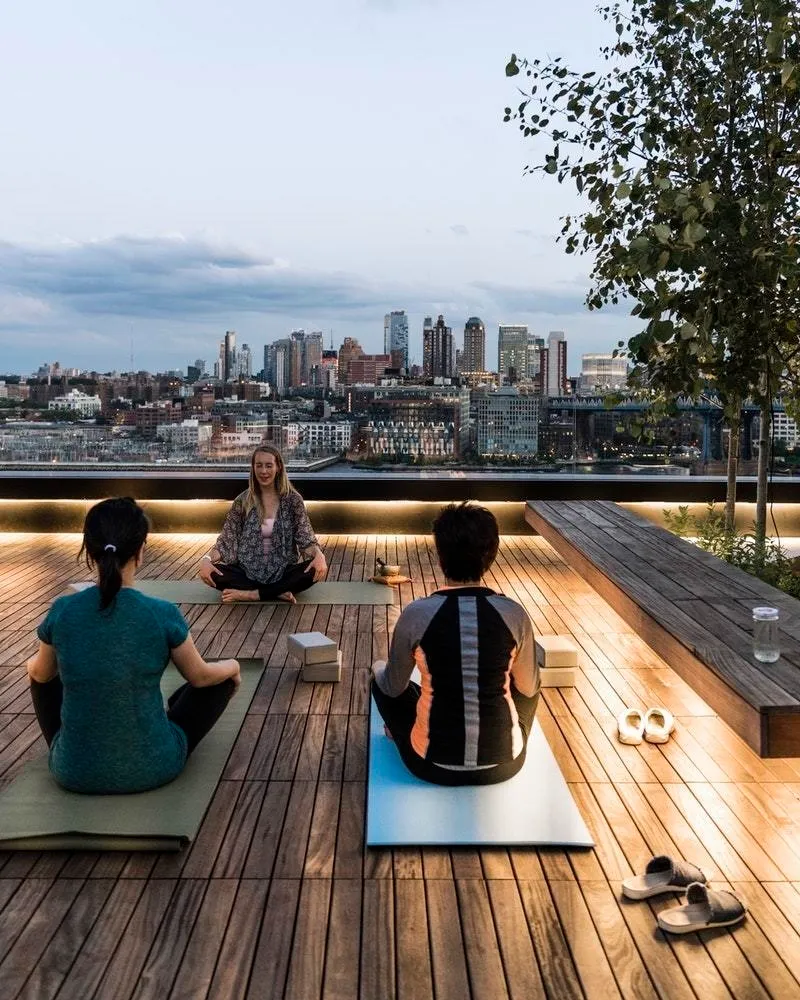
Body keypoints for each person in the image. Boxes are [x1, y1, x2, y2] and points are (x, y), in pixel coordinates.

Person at [26, 497, 241, 795]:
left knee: (41, 674)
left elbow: (40, 674)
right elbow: (201, 677)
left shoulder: (63, 610)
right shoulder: (161, 612)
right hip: (154, 767)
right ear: (141, 550)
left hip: (74, 771)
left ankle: (77, 749)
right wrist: (233, 666)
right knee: (219, 681)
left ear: (89, 550)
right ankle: (156, 725)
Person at [371, 502, 540, 786]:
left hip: (429, 764)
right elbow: (528, 687)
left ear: (440, 556)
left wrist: (377, 668)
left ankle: (401, 731)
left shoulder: (417, 613)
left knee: (380, 681)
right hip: (505, 764)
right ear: (491, 556)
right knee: (527, 683)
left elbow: (392, 687)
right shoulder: (513, 613)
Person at [198, 444, 327, 603]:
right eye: (259, 465)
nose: (263, 471)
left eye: (268, 465)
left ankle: (250, 594)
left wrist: (319, 555)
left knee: (313, 571)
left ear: (278, 467)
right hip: (245, 572)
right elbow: (226, 541)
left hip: (282, 572)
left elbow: (306, 538)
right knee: (211, 573)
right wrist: (206, 560)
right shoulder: (242, 501)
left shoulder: (293, 500)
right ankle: (276, 592)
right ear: (253, 468)